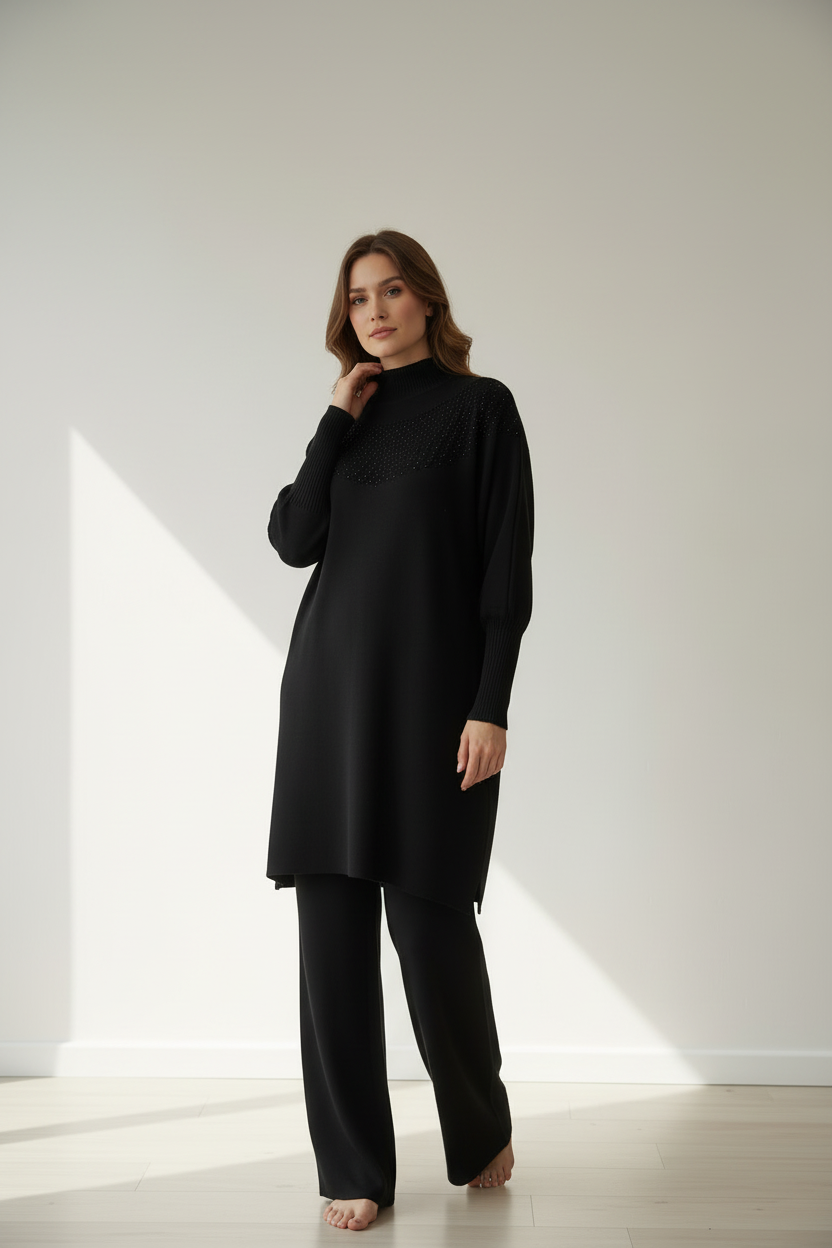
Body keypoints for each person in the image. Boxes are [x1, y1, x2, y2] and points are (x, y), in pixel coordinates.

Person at [265, 229, 534, 1232]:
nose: (373, 312)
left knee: (432, 930)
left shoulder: (480, 410)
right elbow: (293, 538)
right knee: (331, 942)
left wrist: (490, 703)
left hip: (433, 706)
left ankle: (479, 1125)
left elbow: (505, 570)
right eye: (357, 298)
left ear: (425, 298)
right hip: (327, 702)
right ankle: (353, 1167)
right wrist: (334, 419)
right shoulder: (350, 417)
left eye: (390, 291)